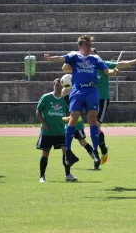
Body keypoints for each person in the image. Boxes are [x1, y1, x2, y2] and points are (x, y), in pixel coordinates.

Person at [44, 35, 118, 169]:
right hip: (77, 90)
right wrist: (51, 58)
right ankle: (67, 153)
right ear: (80, 47)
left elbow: (106, 70)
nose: (89, 47)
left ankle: (95, 152)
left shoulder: (95, 58)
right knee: (73, 119)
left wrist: (114, 72)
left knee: (92, 119)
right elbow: (61, 59)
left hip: (91, 90)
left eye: (90, 45)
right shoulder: (74, 56)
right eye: (87, 45)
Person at [91, 48, 136, 164]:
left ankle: (99, 152)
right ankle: (102, 149)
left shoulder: (105, 64)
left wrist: (133, 61)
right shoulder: (86, 68)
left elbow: (120, 65)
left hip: (102, 99)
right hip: (90, 99)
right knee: (93, 127)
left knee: (95, 128)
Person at [36, 78, 77, 182]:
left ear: (63, 86)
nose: (58, 87)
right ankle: (42, 176)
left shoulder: (65, 99)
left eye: (60, 86)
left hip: (61, 131)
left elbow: (68, 113)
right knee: (45, 153)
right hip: (47, 131)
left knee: (65, 152)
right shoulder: (46, 97)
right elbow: (38, 111)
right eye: (56, 85)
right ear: (53, 86)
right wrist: (43, 122)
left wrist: (68, 120)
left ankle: (68, 174)